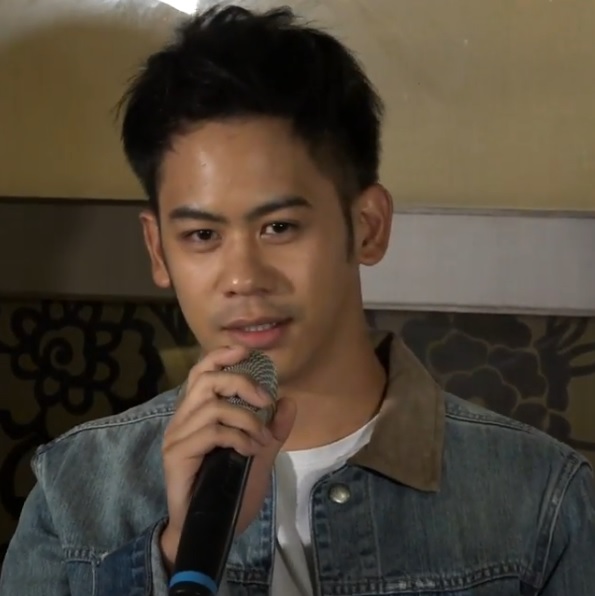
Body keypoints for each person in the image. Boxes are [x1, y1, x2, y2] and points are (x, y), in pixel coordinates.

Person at [1, 4, 594, 595]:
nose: (243, 278)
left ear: (367, 226)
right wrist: (176, 552)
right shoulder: (72, 496)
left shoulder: (542, 501)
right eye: (202, 235)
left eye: (279, 227)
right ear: (158, 251)